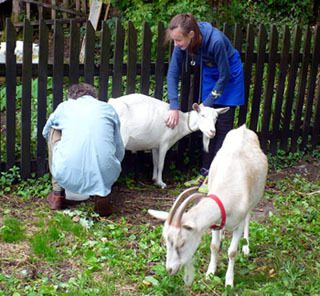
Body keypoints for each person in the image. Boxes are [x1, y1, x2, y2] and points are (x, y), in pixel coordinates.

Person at [165, 13, 245, 193]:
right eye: (174, 41)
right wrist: (174, 106)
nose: (176, 45)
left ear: (191, 34)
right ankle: (204, 172)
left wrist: (207, 103)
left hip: (229, 76)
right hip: (210, 74)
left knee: (221, 129)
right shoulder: (182, 43)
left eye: (178, 40)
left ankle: (215, 177)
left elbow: (225, 76)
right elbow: (173, 73)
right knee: (207, 128)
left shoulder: (215, 41)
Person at [42, 83, 125, 216]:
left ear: (69, 99)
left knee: (54, 129)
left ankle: (58, 195)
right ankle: (102, 194)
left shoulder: (64, 107)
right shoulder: (108, 109)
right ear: (95, 98)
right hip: (107, 172)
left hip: (67, 172)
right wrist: (115, 164)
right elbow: (119, 146)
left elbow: (45, 132)